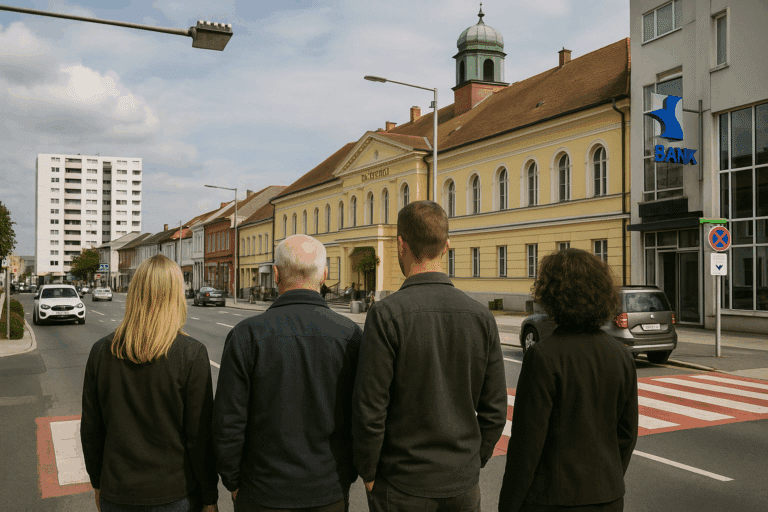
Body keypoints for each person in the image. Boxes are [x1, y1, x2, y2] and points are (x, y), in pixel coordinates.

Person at [352, 200, 507, 512]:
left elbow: (370, 407)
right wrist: (474, 461)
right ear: (447, 245)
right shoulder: (481, 317)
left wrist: (368, 471)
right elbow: (494, 409)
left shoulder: (386, 314)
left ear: (401, 246)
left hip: (402, 483)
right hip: (462, 484)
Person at [214, 234, 362, 512]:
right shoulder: (350, 335)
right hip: (327, 489)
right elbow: (362, 415)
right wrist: (347, 474)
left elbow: (228, 421)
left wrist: (232, 480)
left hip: (261, 491)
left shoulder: (246, 335)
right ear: (324, 275)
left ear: (276, 275)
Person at [498, 248, 639, 512]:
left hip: (553, 499)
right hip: (607, 497)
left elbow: (526, 444)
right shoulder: (620, 354)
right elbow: (628, 433)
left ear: (551, 295)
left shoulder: (543, 356)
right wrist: (607, 479)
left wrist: (509, 504)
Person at [80, 254, 219, 512]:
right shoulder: (191, 354)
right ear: (175, 296)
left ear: (135, 294)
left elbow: (91, 430)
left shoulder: (102, 351)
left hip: (117, 493)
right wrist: (209, 496)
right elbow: (200, 436)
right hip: (174, 494)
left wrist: (98, 483)